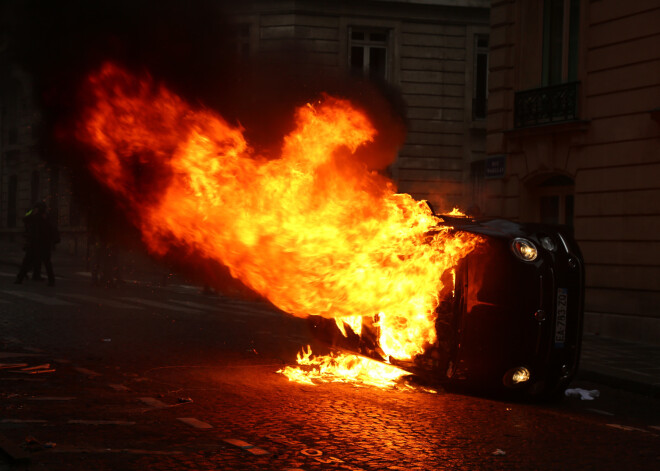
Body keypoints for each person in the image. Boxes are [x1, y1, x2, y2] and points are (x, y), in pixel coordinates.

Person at [14, 202, 59, 286]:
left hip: (36, 243)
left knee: (27, 262)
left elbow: (25, 218)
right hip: (44, 244)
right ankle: (50, 280)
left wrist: (31, 211)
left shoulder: (35, 217)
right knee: (46, 263)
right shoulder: (46, 217)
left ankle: (20, 278)